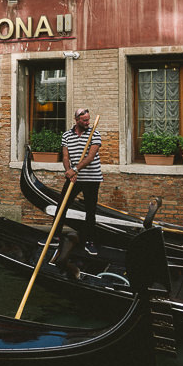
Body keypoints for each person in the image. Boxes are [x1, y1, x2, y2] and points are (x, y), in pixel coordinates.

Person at [59, 108, 103, 255]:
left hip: (92, 178)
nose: (88, 122)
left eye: (88, 119)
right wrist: (68, 172)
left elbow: (90, 157)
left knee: (90, 211)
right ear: (77, 120)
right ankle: (55, 237)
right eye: (84, 120)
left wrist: (75, 170)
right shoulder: (66, 135)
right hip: (74, 178)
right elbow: (66, 157)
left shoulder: (94, 134)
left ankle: (90, 242)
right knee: (61, 206)